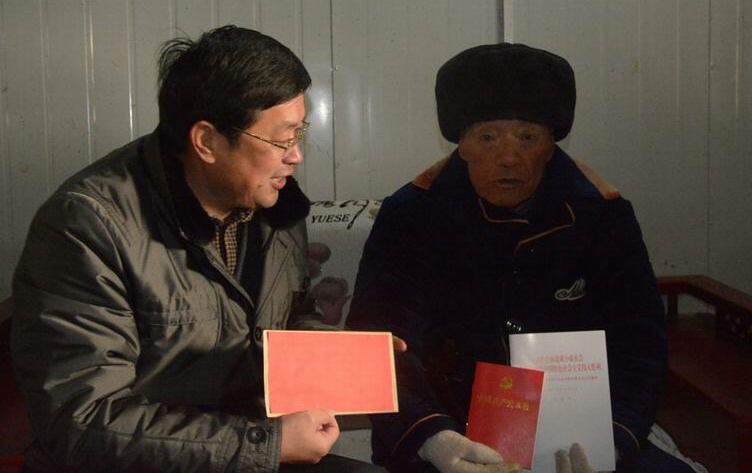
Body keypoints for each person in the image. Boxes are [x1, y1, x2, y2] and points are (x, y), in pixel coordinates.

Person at [11, 26, 386, 473]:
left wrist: (341, 357)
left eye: (299, 134)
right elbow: (82, 423)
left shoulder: (272, 204)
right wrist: (266, 445)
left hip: (243, 451)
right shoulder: (87, 226)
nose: (296, 156)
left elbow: (286, 320)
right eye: (282, 139)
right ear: (206, 141)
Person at [347, 43, 702, 473]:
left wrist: (613, 440)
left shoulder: (601, 215)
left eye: (528, 138)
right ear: (461, 145)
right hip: (449, 429)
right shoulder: (412, 214)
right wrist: (432, 437)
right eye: (488, 137)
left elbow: (640, 343)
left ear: (551, 146)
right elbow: (379, 342)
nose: (509, 158)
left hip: (577, 434)